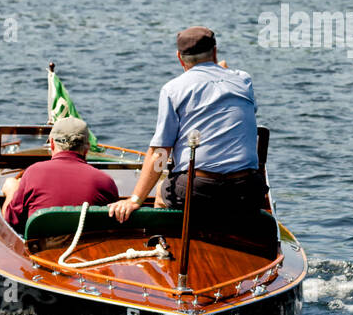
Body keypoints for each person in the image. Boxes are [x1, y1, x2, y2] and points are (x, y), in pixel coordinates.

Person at [109, 27, 265, 223]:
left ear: (179, 58)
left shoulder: (173, 89)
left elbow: (161, 152)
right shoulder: (243, 80)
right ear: (215, 52)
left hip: (198, 189)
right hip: (246, 190)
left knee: (161, 191)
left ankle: (164, 242)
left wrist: (135, 199)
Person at [2, 117, 119, 230]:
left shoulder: (33, 173)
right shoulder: (105, 181)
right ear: (87, 148)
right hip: (90, 246)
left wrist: (11, 191)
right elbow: (113, 223)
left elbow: (10, 221)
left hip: (41, 247)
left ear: (52, 143)